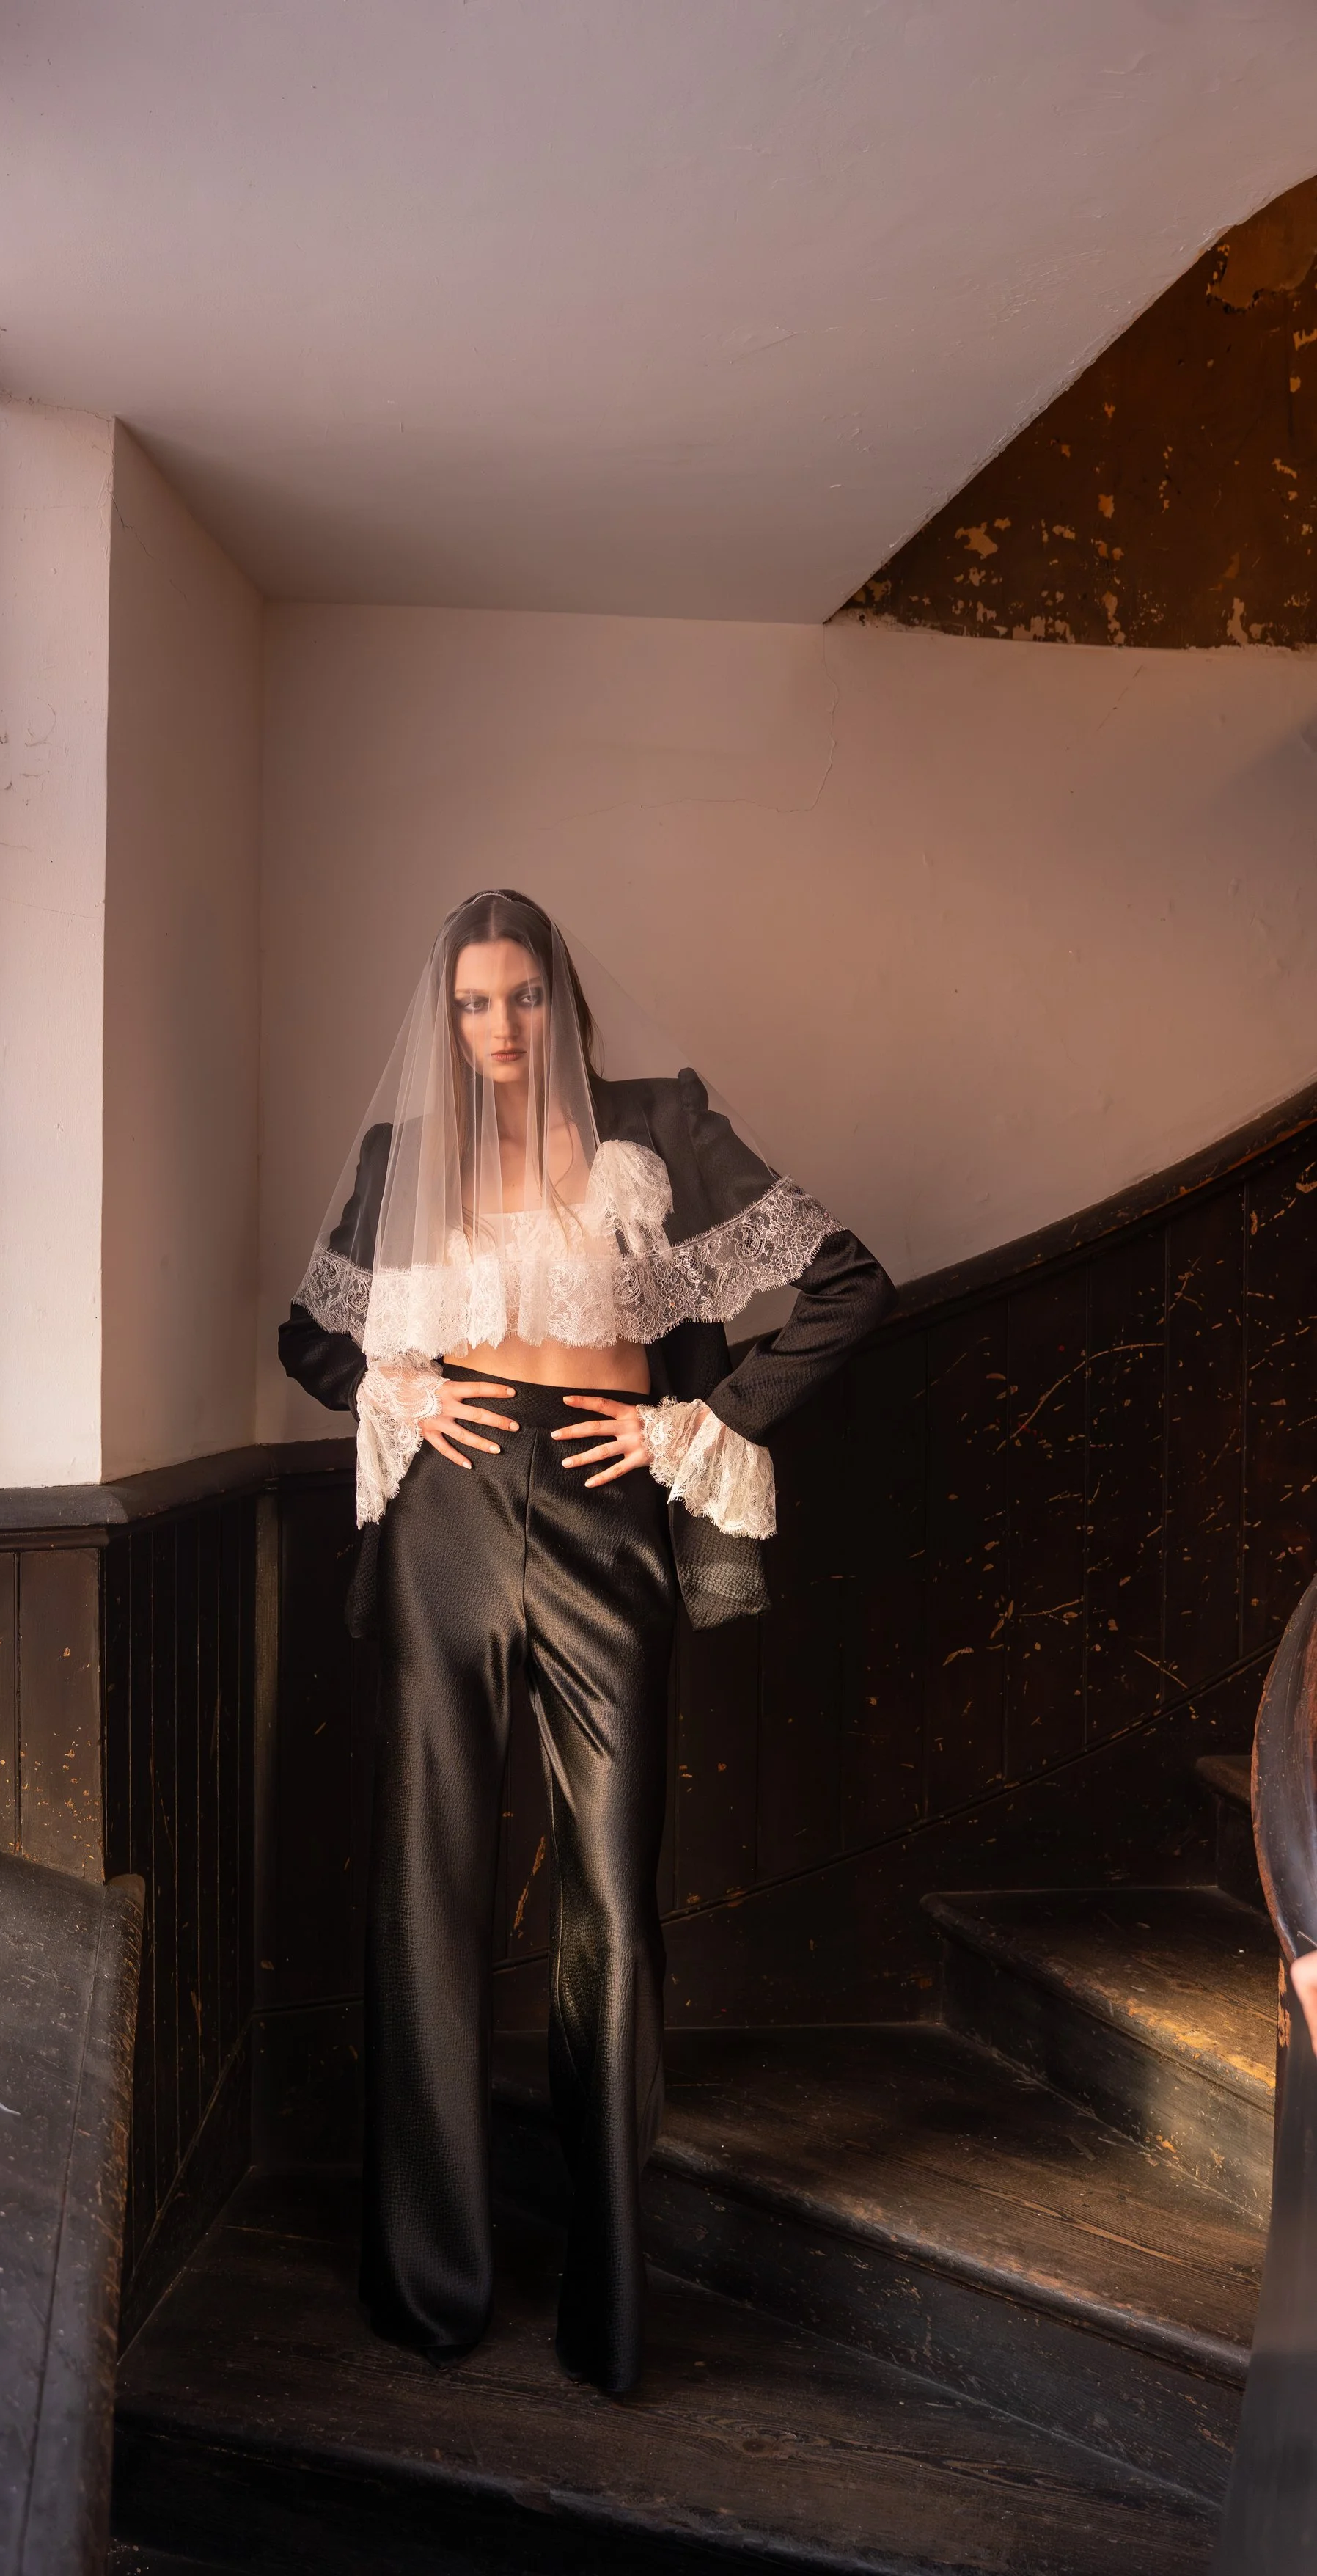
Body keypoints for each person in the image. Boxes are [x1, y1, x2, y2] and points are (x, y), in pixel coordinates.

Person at [279, 890, 892, 2394]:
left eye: (523, 996)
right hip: (443, 1510)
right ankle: (430, 2282)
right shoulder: (400, 1157)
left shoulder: (658, 1123)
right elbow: (308, 1334)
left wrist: (702, 1420)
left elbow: (849, 1282)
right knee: (427, 1881)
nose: (499, 1027)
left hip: (605, 1508)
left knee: (612, 1896)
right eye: (472, 1002)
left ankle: (607, 2298)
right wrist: (396, 1394)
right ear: (446, 1018)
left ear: (565, 998)